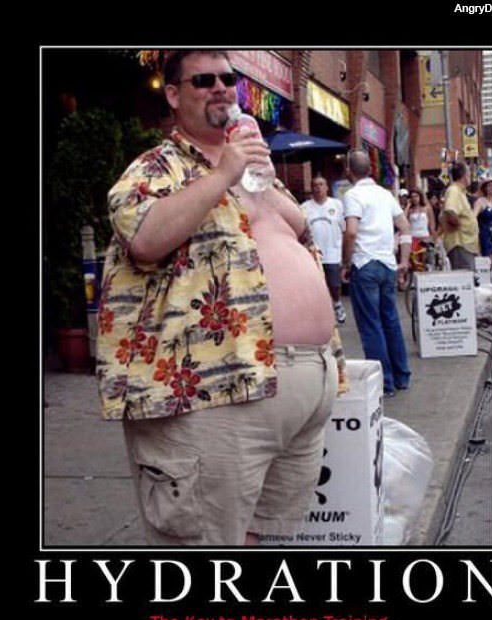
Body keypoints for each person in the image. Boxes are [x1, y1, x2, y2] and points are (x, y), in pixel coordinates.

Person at [96, 49, 348, 546]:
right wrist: (222, 173)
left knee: (257, 539)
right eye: (203, 80)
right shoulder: (158, 167)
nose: (220, 88)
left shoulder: (255, 168)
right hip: (215, 394)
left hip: (302, 386)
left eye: (228, 79)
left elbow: (297, 232)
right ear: (173, 95)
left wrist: (255, 173)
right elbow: (143, 238)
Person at [342, 150, 412, 398]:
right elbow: (404, 226)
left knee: (371, 324)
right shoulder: (385, 194)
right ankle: (402, 375)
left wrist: (346, 262)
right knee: (390, 320)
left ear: (349, 171)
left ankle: (385, 382)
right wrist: (404, 260)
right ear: (370, 169)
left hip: (365, 263)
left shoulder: (352, 195)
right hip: (387, 263)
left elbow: (351, 232)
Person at [301, 175, 347, 324]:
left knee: (334, 284)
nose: (318, 188)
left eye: (321, 184)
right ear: (311, 188)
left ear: (327, 187)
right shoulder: (305, 207)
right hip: (314, 253)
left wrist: (345, 254)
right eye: (315, 185)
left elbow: (344, 230)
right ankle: (322, 312)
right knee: (317, 285)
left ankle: (337, 304)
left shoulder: (337, 205)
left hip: (333, 251)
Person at [440, 161, 480, 271]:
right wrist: (458, 225)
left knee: (469, 275)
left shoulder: (460, 192)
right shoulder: (454, 190)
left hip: (466, 244)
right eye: (469, 173)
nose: (470, 176)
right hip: (460, 243)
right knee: (465, 276)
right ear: (464, 175)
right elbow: (450, 211)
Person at [473, 177, 492, 266]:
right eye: (489, 185)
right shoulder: (480, 201)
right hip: (486, 238)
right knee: (489, 263)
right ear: (485, 188)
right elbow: (473, 218)